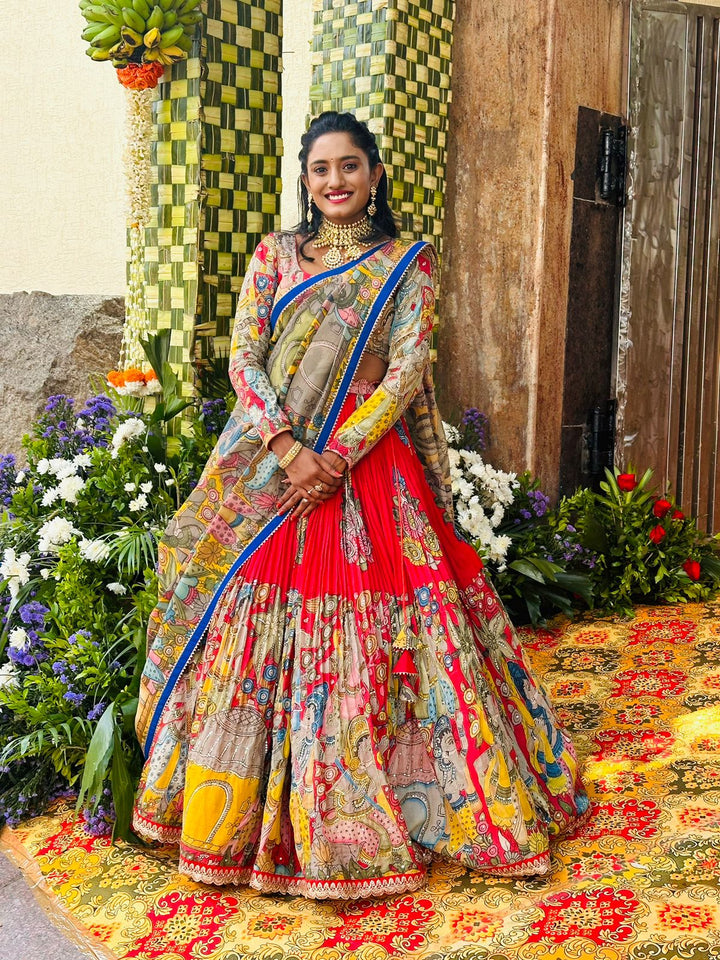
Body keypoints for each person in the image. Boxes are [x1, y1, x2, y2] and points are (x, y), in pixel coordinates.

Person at [133, 110, 589, 899]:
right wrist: (286, 448)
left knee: (397, 638)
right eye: (320, 169)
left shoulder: (405, 264)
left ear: (375, 175)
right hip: (273, 471)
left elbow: (409, 369)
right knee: (248, 623)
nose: (335, 181)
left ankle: (407, 805)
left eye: (350, 166)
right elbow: (243, 358)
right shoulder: (275, 256)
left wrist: (336, 458)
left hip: (368, 472)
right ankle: (234, 811)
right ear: (304, 180)